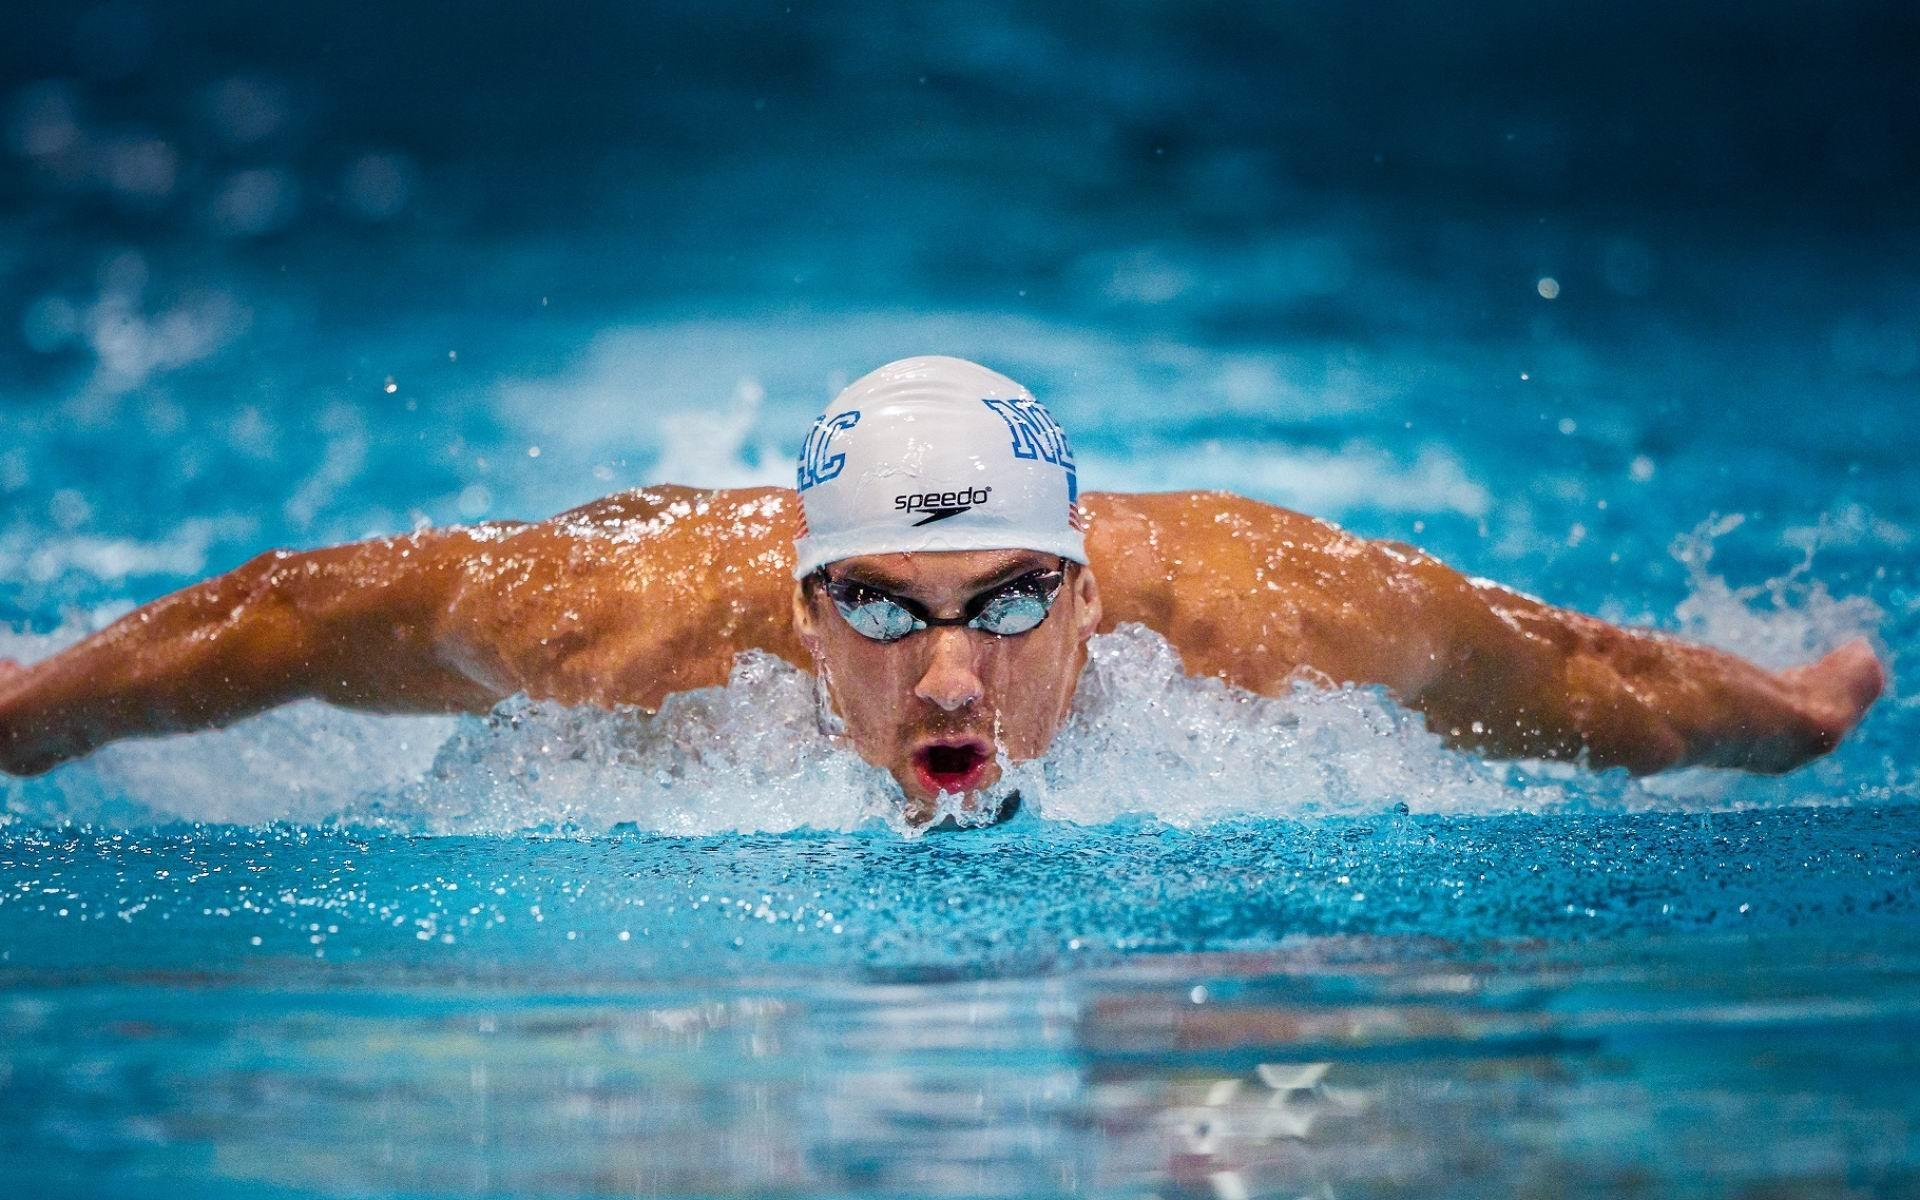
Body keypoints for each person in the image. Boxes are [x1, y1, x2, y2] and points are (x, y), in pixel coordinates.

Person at [0, 356, 1886, 824]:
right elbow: (286, 614)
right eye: (888, 614)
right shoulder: (635, 627)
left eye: (1008, 602)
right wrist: (28, 718)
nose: (953, 676)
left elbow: (1551, 672)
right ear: (801, 613)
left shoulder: (1252, 611)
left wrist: (1781, 719)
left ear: (1087, 591)